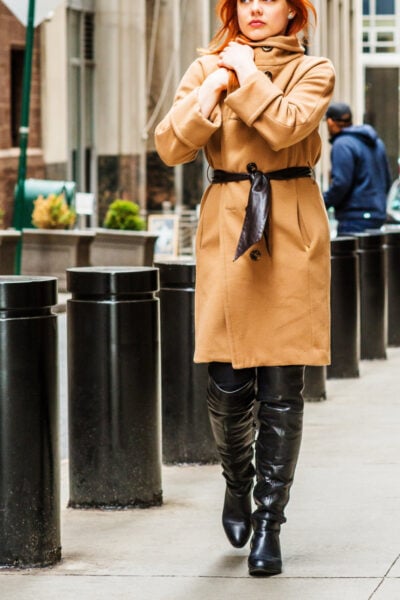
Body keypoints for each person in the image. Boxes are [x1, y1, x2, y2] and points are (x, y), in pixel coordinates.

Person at [155, 0, 335, 577]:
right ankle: (237, 481)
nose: (256, 7)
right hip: (230, 223)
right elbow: (169, 147)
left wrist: (249, 76)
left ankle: (268, 522)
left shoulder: (315, 70)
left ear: (293, 13)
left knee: (283, 384)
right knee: (227, 381)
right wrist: (210, 94)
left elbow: (285, 125)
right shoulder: (206, 66)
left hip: (290, 227)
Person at [323, 102, 392, 234]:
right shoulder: (377, 142)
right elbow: (386, 179)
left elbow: (341, 184)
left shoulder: (342, 144)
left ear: (331, 122)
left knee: (350, 254)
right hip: (377, 216)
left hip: (354, 219)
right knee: (372, 254)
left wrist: (322, 203)